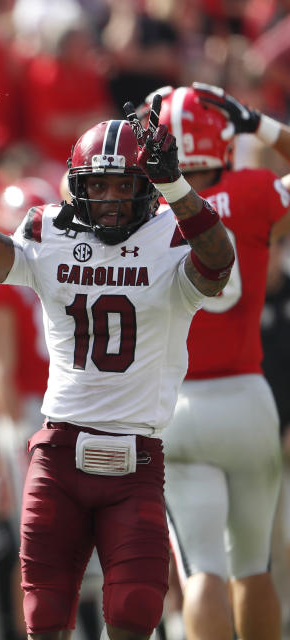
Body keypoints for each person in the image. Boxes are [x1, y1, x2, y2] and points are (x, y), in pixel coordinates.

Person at [0, 79, 235, 640]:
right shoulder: (48, 232)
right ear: (77, 188)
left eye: (122, 186)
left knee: (134, 613)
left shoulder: (171, 235)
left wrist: (174, 183)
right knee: (45, 621)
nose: (109, 200)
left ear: (146, 187)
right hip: (59, 456)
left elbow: (219, 263)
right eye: (96, 186)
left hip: (135, 459)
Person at [148, 83, 290, 640]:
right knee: (255, 565)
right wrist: (259, 124)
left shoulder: (143, 214)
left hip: (177, 404)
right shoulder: (255, 192)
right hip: (248, 398)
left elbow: (75, 183)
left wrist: (141, 127)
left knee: (202, 566)